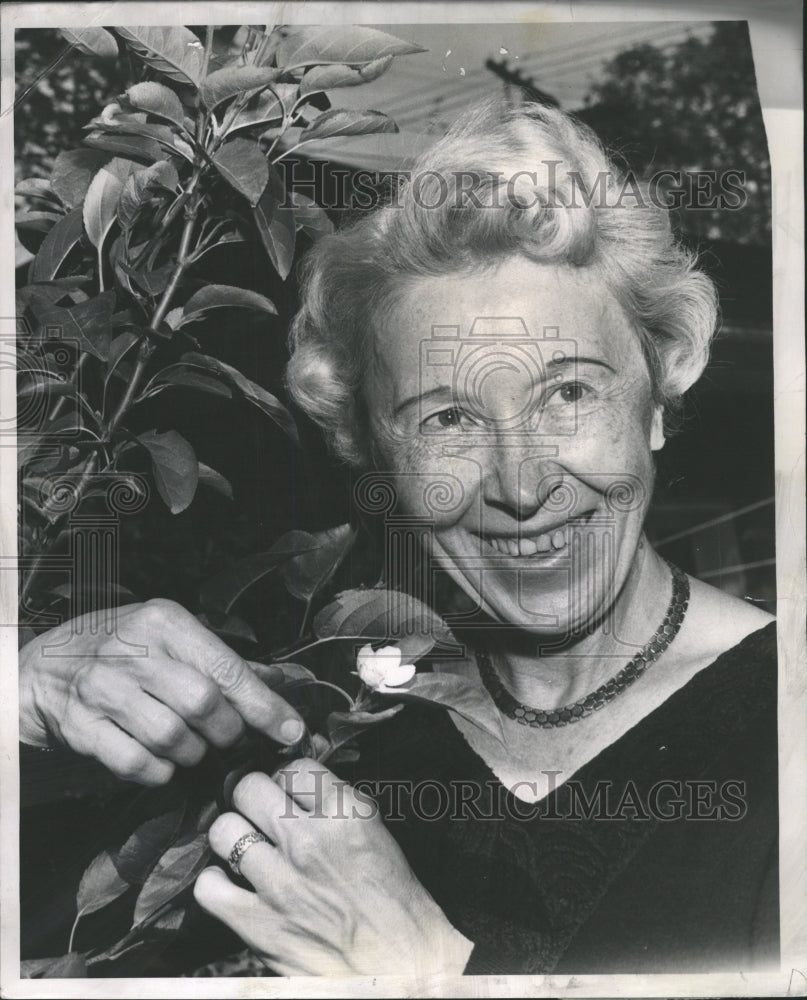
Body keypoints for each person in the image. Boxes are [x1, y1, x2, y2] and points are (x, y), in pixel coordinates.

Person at [19, 98, 778, 975]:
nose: (521, 486)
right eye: (446, 418)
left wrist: (423, 976)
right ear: (371, 449)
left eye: (568, 394)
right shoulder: (345, 730)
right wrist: (24, 695)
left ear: (658, 392)